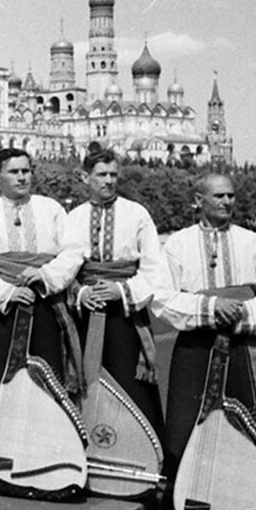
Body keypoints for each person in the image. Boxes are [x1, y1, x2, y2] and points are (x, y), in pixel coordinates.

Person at [155, 173, 256, 480]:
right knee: (187, 423)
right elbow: (162, 297)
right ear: (198, 201)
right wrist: (210, 308)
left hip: (245, 346)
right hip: (197, 348)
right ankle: (189, 506)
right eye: (218, 196)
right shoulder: (178, 244)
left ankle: (253, 501)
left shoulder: (253, 242)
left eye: (230, 195)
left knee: (250, 424)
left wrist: (242, 314)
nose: (227, 201)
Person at [0, 148, 84, 402]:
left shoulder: (51, 209)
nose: (21, 177)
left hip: (44, 304)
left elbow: (73, 251)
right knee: (1, 377)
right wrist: (7, 292)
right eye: (13, 172)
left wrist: (45, 275)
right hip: (2, 311)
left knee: (48, 377)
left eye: (26, 171)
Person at [64, 145, 168, 437]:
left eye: (113, 174)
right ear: (85, 178)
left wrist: (120, 291)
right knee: (84, 380)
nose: (108, 181)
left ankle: (144, 454)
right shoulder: (73, 218)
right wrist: (82, 293)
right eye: (101, 175)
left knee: (129, 383)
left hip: (124, 315)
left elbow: (153, 268)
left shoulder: (137, 214)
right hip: (85, 314)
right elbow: (63, 270)